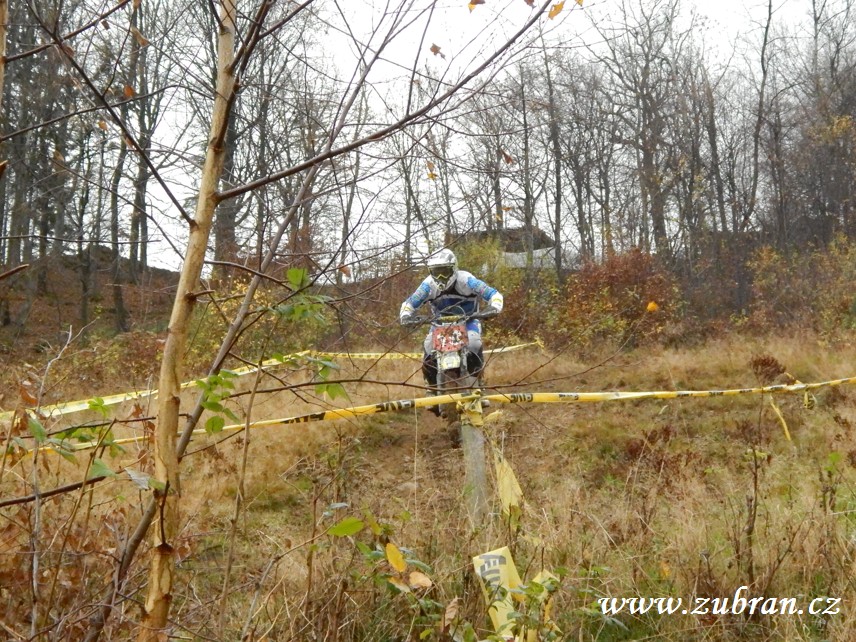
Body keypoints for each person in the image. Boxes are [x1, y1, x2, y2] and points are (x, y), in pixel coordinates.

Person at [399, 248, 503, 396]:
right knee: (428, 346)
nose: (440, 276)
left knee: (474, 343)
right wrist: (406, 316)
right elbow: (409, 303)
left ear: (454, 269)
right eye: (436, 272)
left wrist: (494, 307)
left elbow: (493, 294)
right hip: (439, 324)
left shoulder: (466, 280)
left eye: (444, 271)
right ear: (430, 272)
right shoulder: (428, 285)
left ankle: (478, 381)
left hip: (468, 321)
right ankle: (431, 386)